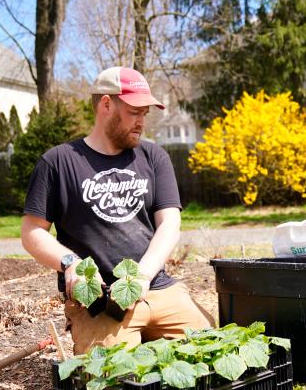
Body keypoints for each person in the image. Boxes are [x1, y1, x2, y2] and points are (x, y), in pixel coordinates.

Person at [21, 66, 214, 354]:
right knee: (116, 377)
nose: (141, 122)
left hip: (157, 288)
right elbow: (32, 232)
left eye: (145, 114)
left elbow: (170, 224)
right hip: (101, 302)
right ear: (106, 105)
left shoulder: (153, 157)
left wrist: (144, 276)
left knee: (212, 352)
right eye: (134, 112)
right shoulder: (58, 162)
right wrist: (70, 263)